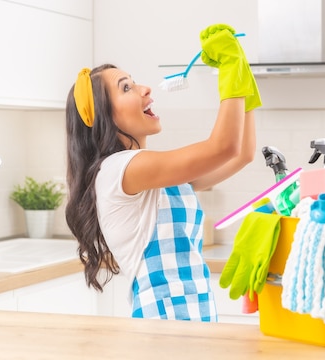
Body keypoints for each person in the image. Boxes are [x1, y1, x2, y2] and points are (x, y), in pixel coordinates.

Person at [64, 24, 260, 322]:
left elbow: (241, 153)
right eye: (126, 87)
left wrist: (242, 77)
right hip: (163, 327)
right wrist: (230, 69)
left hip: (198, 318)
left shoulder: (155, 178)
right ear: (106, 117)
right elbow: (223, 147)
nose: (145, 89)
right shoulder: (119, 170)